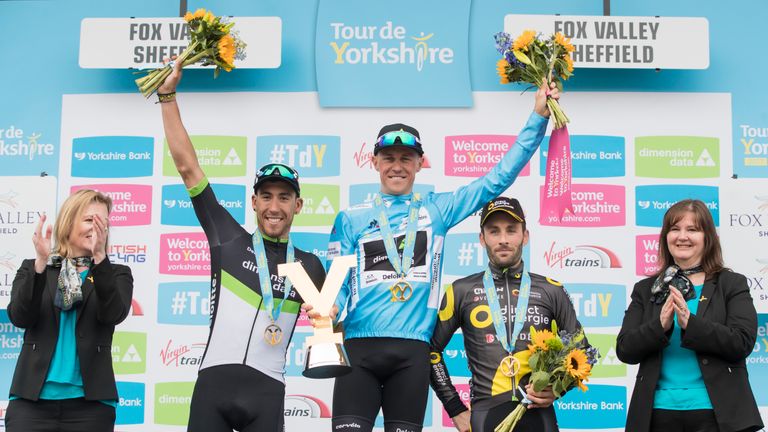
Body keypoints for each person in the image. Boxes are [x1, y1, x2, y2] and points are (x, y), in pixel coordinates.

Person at [311, 83, 559, 432]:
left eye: (406, 158)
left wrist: (537, 117)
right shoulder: (350, 217)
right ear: (374, 161)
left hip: (412, 353)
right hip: (358, 348)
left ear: (419, 163)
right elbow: (333, 280)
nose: (397, 166)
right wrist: (330, 307)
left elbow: (497, 178)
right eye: (389, 158)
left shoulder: (437, 210)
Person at [156, 60, 326, 432]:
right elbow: (189, 169)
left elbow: (330, 330)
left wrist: (327, 321)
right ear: (253, 202)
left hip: (268, 392)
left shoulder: (311, 266)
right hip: (212, 388)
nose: (275, 207)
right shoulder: (227, 237)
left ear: (298, 206)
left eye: (284, 198)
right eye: (266, 196)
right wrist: (167, 96)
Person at [429, 197, 588, 432]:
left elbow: (582, 349)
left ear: (525, 236)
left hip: (539, 416)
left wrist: (556, 389)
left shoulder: (551, 289)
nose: (503, 239)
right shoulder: (460, 291)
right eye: (494, 231)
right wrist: (455, 409)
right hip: (485, 416)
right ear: (482, 239)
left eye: (511, 230)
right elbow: (430, 351)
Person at [616, 199, 763, 432]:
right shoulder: (646, 289)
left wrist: (690, 324)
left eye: (692, 229)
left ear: (707, 238)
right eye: (675, 229)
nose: (682, 236)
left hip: (718, 415)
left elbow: (741, 342)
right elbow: (625, 349)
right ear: (666, 237)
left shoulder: (731, 284)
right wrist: (659, 326)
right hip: (656, 414)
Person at [6, 189, 133, 432]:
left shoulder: (115, 273)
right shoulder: (34, 268)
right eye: (89, 220)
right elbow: (20, 317)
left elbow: (113, 314)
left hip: (91, 407)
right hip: (31, 403)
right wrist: (41, 264)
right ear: (68, 223)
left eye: (102, 223)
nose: (96, 228)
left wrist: (99, 259)